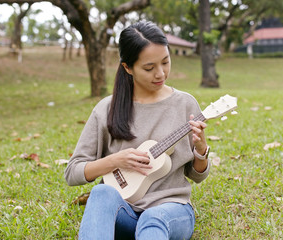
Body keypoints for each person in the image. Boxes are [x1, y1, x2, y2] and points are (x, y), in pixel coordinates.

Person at [64, 21, 211, 240]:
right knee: (101, 192)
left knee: (153, 218)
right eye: (149, 68)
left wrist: (201, 149)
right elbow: (72, 173)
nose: (160, 74)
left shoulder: (185, 104)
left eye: (165, 62)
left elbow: (197, 176)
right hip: (124, 212)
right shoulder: (106, 108)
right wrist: (115, 161)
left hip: (170, 210)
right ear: (127, 67)